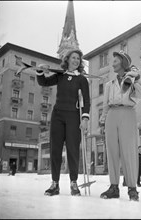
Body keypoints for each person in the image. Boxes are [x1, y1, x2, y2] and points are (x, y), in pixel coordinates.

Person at [36, 49, 90, 196]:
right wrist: (40, 71)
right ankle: (55, 184)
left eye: (78, 59)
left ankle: (73, 183)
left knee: (73, 150)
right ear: (67, 59)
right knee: (55, 150)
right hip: (58, 115)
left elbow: (86, 100)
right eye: (73, 58)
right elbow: (44, 82)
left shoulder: (82, 79)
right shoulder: (60, 76)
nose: (76, 60)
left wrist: (85, 118)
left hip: (74, 116)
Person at [99, 51, 141, 201]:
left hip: (128, 113)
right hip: (112, 114)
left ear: (122, 62)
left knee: (129, 151)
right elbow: (106, 105)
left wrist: (137, 77)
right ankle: (114, 187)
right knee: (112, 150)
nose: (112, 63)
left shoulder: (133, 78)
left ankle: (132, 188)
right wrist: (102, 121)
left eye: (115, 61)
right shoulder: (109, 84)